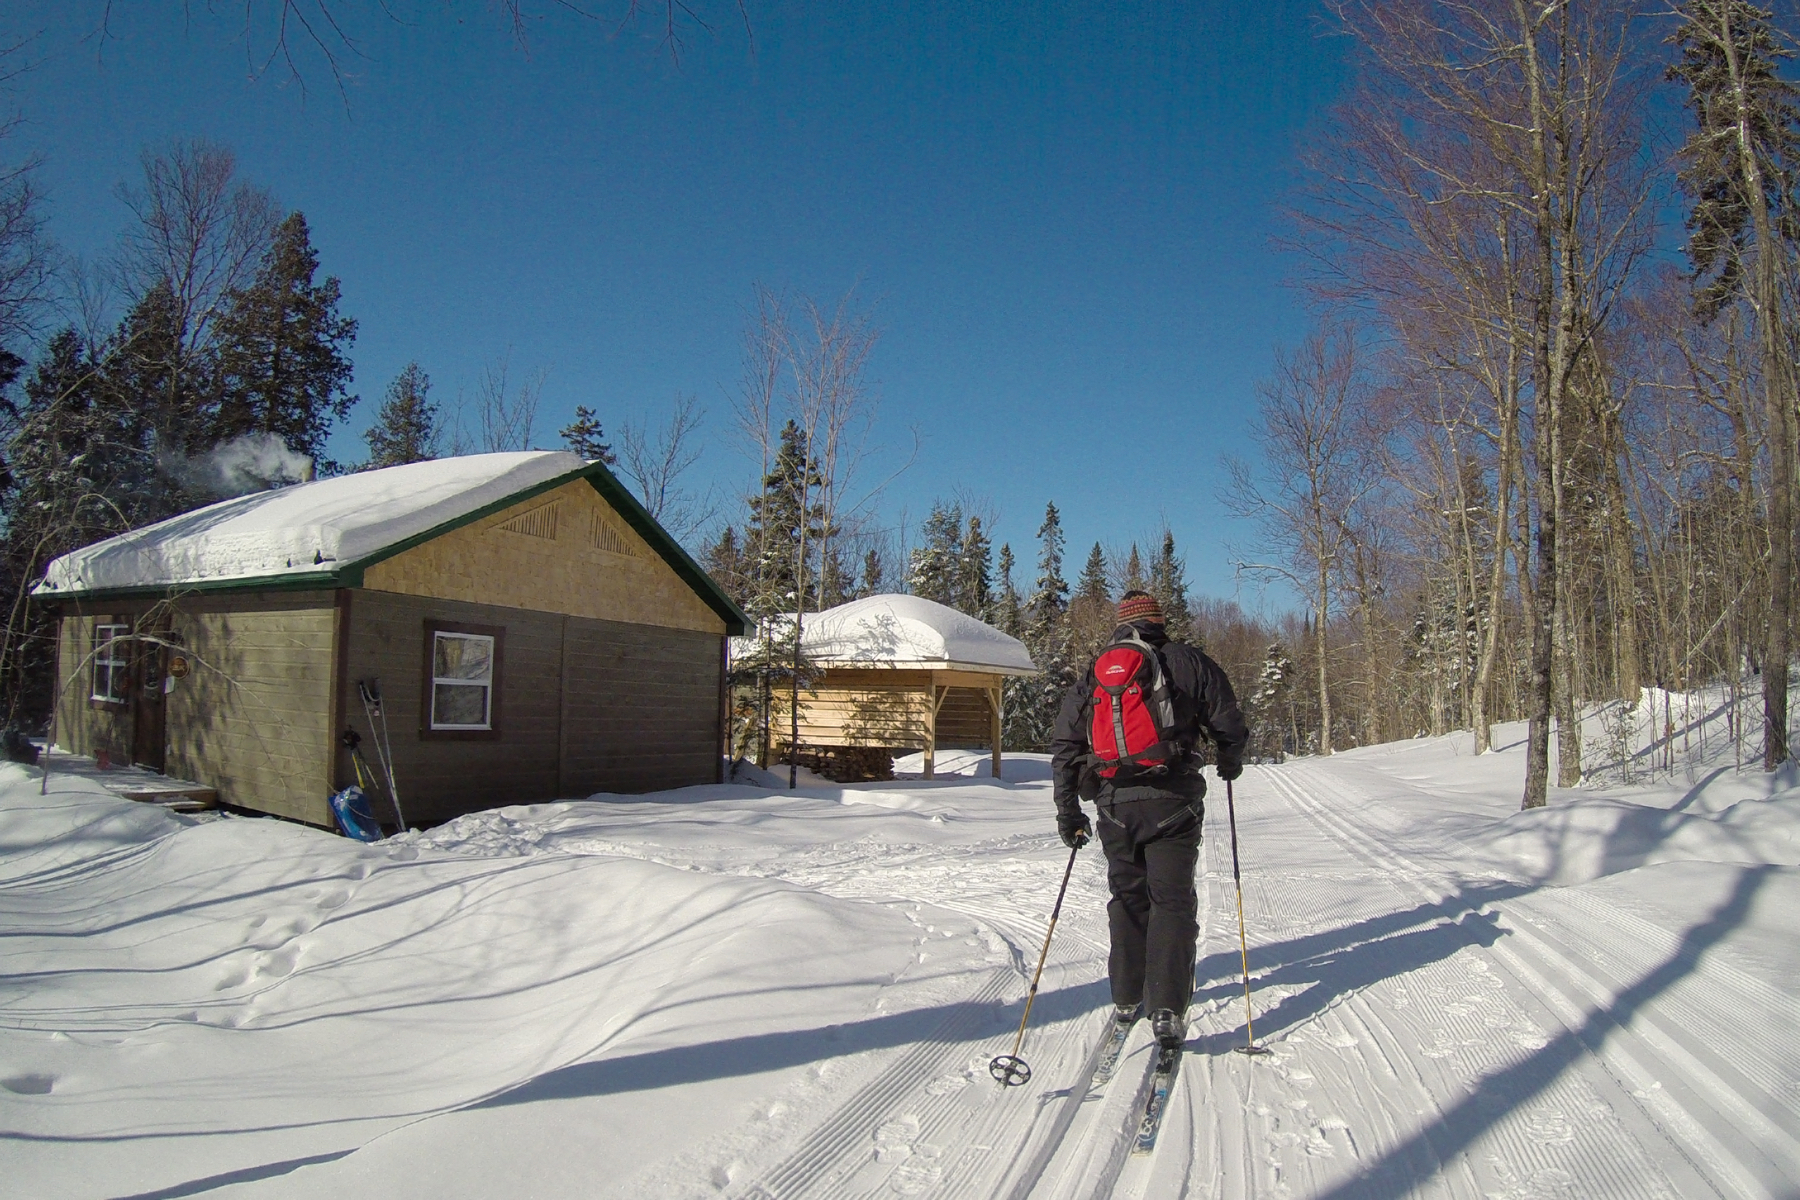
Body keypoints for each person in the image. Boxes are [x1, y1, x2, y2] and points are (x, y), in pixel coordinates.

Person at [1050, 589, 1248, 1050]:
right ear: (1159, 622)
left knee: (1128, 895)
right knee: (1172, 900)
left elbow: (1066, 745)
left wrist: (1068, 811)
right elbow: (1227, 719)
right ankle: (1167, 1008)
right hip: (1173, 802)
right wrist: (1230, 759)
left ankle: (1125, 995)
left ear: (1121, 626)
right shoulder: (1188, 661)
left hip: (1114, 805)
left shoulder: (1097, 674)